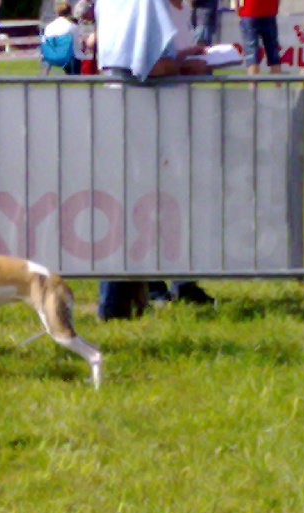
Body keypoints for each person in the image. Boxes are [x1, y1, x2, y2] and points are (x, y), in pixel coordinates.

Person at [95, 0, 213, 319]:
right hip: (141, 112)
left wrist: (183, 57)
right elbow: (152, 66)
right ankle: (122, 302)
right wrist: (189, 67)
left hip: (133, 110)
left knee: (139, 204)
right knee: (140, 205)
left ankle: (146, 291)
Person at [238, 0, 281, 77]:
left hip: (250, 11)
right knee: (273, 53)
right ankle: (278, 87)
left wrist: (237, 8)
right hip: (269, 11)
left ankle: (253, 87)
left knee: (251, 53)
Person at [43, 1, 84, 74]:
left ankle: (45, 73)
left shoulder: (49, 26)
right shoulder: (71, 26)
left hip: (50, 55)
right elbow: (78, 45)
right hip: (67, 57)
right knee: (76, 52)